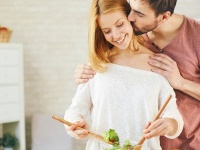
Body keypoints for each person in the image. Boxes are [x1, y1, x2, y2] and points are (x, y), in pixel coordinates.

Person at [75, 0, 200, 149]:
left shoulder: (196, 35)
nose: (130, 17)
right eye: (131, 9)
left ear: (164, 17)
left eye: (139, 13)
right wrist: (87, 72)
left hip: (189, 142)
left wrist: (181, 83)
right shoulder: (132, 33)